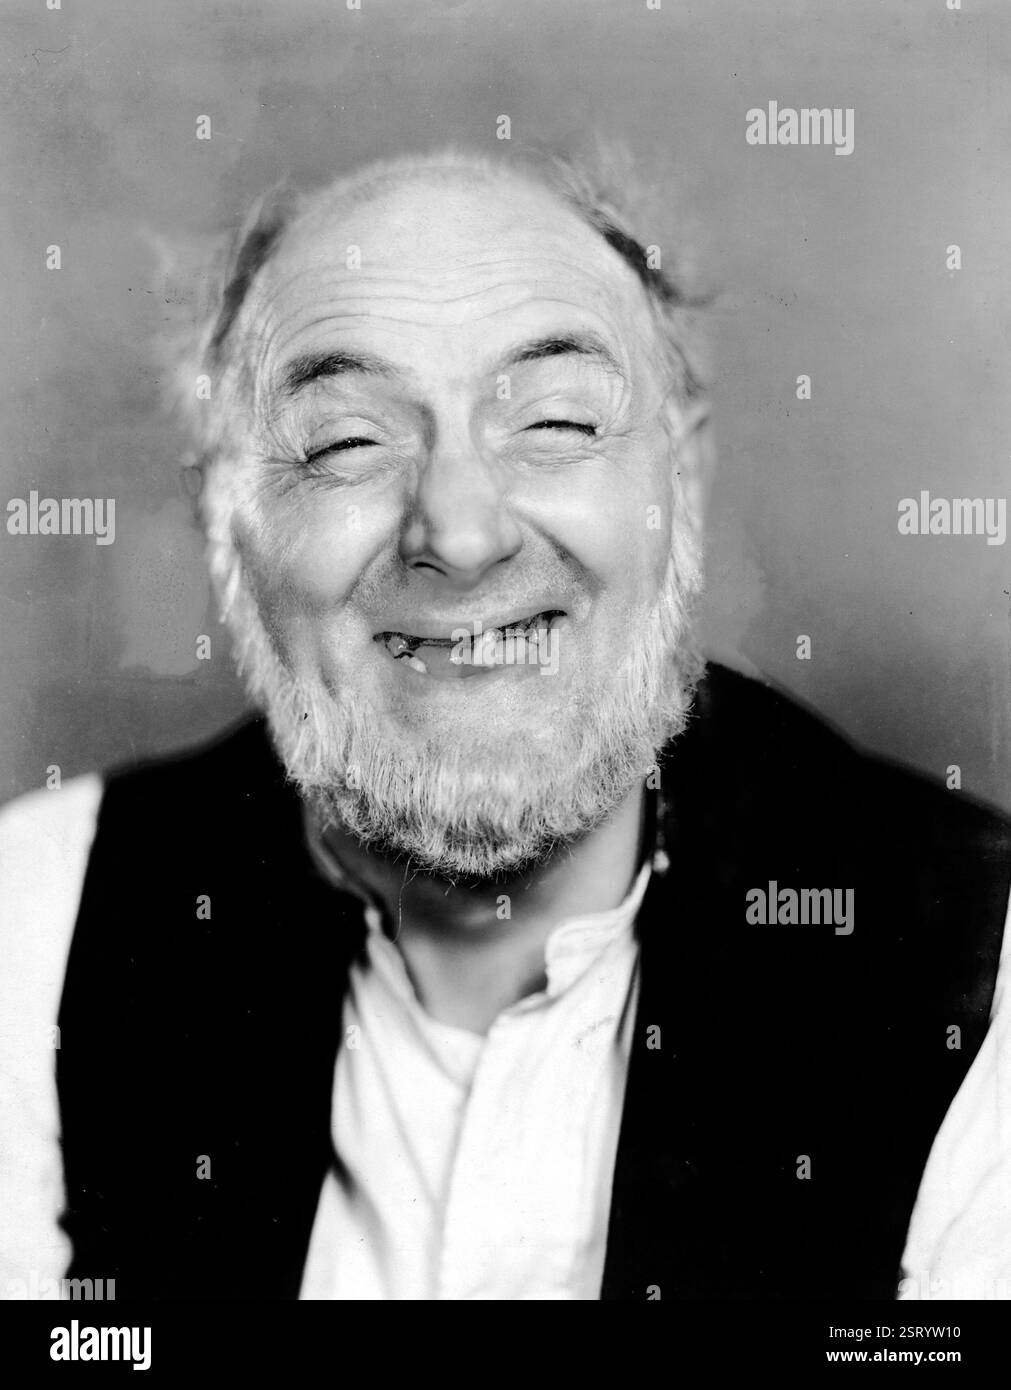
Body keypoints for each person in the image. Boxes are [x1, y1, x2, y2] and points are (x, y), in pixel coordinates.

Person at [2, 147, 1009, 1301]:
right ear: (227, 524)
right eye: (346, 441)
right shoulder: (34, 932)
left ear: (680, 482)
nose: (462, 530)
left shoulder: (983, 974)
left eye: (557, 421)